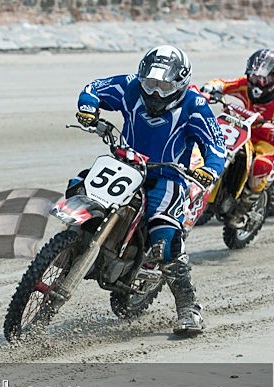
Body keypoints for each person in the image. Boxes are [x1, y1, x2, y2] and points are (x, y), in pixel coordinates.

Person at [76, 45, 225, 335]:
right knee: (79, 186)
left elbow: (216, 148)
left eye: (164, 85)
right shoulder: (130, 86)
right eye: (150, 83)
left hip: (167, 177)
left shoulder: (196, 105)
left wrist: (209, 169)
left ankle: (188, 308)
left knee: (166, 236)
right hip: (124, 166)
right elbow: (93, 88)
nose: (155, 92)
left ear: (180, 83)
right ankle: (74, 244)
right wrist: (87, 107)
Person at [200, 48, 274, 226]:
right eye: (254, 77)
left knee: (261, 165)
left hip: (268, 142)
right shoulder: (243, 85)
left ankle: (243, 209)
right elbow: (224, 83)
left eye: (264, 79)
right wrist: (211, 89)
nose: (258, 83)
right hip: (243, 133)